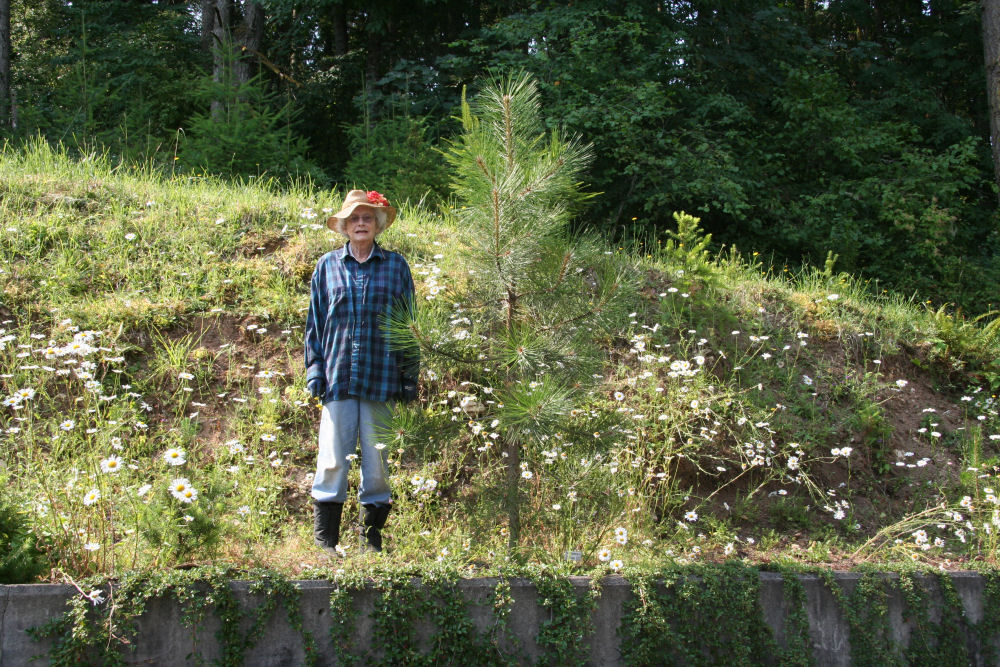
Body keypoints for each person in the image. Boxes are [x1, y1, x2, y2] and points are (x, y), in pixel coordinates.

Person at [304, 189, 418, 556]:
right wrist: (314, 370)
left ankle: (371, 539)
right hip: (337, 376)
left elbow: (409, 324)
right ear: (343, 226)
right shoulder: (326, 267)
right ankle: (327, 541)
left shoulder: (396, 267)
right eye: (354, 219)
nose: (361, 224)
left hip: (382, 376)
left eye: (367, 218)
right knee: (333, 458)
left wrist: (409, 376)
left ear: (378, 224)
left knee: (378, 460)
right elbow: (315, 324)